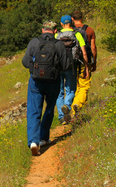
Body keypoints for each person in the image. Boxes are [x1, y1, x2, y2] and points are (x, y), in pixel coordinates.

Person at [22, 20, 70, 156]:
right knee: (49, 108)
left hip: (36, 82)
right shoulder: (59, 44)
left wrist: (34, 70)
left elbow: (25, 62)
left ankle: (33, 141)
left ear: (43, 30)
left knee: (33, 110)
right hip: (53, 82)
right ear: (55, 31)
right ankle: (43, 138)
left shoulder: (34, 42)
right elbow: (66, 65)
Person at [55, 15, 90, 124]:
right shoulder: (77, 34)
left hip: (58, 67)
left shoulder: (57, 35)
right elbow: (84, 52)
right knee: (71, 90)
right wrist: (86, 67)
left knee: (59, 92)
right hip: (72, 66)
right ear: (72, 23)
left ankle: (62, 117)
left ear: (61, 24)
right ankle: (67, 105)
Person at [71, 10, 97, 114]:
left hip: (71, 62)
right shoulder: (89, 30)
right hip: (84, 61)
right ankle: (76, 105)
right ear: (82, 18)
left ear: (72, 19)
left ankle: (78, 112)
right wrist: (94, 62)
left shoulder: (70, 31)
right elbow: (93, 48)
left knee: (76, 86)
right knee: (84, 85)